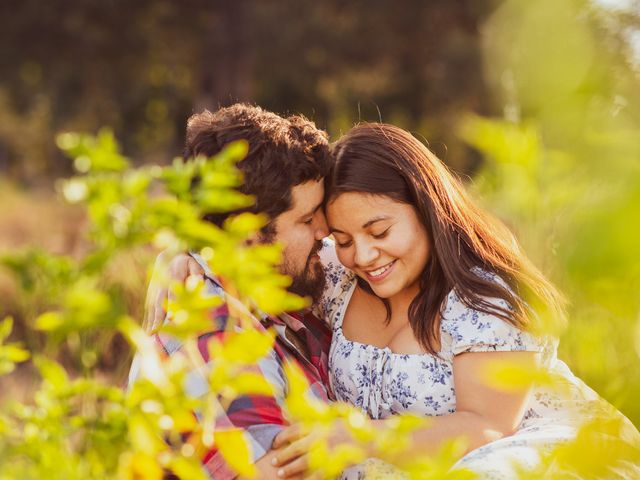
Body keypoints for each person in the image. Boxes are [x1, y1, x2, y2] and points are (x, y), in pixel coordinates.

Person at [269, 123, 640, 478]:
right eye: (344, 239)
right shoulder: (338, 277)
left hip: (513, 458)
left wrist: (360, 438)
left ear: (427, 209)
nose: (363, 256)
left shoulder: (483, 300)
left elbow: (487, 427)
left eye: (379, 232)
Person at [128, 103, 334, 479]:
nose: (326, 231)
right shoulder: (219, 337)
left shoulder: (270, 296)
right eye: (307, 219)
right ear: (249, 234)